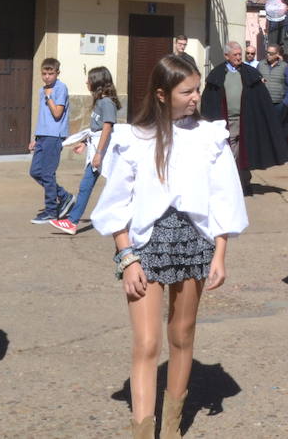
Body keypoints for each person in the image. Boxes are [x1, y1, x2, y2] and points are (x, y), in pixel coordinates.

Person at [92, 53, 248, 439]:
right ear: (162, 94)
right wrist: (127, 258)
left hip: (194, 243)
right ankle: (143, 431)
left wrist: (221, 254)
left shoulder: (211, 136)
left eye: (197, 89)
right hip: (144, 247)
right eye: (187, 91)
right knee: (146, 342)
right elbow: (116, 204)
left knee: (182, 334)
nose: (196, 97)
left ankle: (173, 425)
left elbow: (224, 197)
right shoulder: (133, 138)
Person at [201, 41, 288, 189]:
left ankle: (244, 183)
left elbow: (260, 97)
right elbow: (209, 99)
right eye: (235, 55)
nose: (238, 57)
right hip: (226, 121)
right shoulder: (217, 74)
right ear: (226, 56)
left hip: (247, 120)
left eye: (239, 54)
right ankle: (230, 183)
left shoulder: (250, 73)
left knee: (246, 152)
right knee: (231, 153)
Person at [51, 67, 121, 235]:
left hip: (104, 153)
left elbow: (107, 128)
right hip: (97, 149)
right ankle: (72, 221)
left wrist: (98, 153)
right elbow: (95, 130)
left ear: (97, 82)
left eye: (89, 79)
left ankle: (73, 221)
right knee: (86, 186)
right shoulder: (100, 102)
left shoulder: (107, 102)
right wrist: (85, 143)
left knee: (111, 186)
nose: (86, 82)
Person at [28, 57, 72, 224]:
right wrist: (35, 137)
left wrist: (49, 97)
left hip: (54, 136)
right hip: (43, 135)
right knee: (35, 171)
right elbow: (42, 116)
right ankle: (64, 196)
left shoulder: (60, 88)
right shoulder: (43, 90)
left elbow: (57, 114)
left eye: (50, 73)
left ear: (57, 73)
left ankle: (51, 211)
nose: (47, 77)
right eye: (44, 73)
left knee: (47, 173)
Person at [257, 44, 288, 125]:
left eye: (271, 53)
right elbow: (255, 80)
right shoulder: (260, 65)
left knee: (276, 127)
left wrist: (286, 102)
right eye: (267, 52)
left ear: (277, 54)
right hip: (263, 102)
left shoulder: (284, 66)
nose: (268, 55)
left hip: (278, 104)